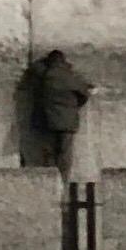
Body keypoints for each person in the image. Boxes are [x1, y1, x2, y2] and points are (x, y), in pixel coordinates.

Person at [32, 47, 92, 175]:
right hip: (67, 121)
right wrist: (75, 105)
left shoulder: (43, 76)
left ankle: (50, 181)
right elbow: (84, 93)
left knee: (49, 153)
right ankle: (63, 181)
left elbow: (34, 70)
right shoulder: (69, 76)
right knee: (65, 154)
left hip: (47, 120)